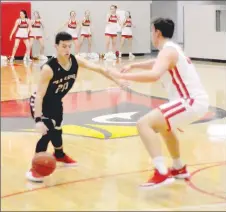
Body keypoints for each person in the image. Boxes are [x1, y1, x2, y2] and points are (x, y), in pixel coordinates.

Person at [108, 18, 209, 188]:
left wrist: (121, 76)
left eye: (151, 31)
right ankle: (178, 168)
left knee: (143, 124)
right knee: (164, 127)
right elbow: (157, 63)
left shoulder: (168, 51)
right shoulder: (172, 49)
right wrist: (135, 66)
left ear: (157, 33)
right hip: (193, 101)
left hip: (189, 101)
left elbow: (154, 74)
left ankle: (161, 172)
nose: (151, 35)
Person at [26, 31, 126, 182]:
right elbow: (39, 95)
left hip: (56, 101)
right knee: (47, 131)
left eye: (69, 46)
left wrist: (118, 81)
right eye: (63, 46)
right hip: (40, 103)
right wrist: (38, 120)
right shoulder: (49, 68)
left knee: (57, 129)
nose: (67, 50)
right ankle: (35, 168)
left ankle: (59, 155)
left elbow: (99, 69)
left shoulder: (75, 60)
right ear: (56, 47)